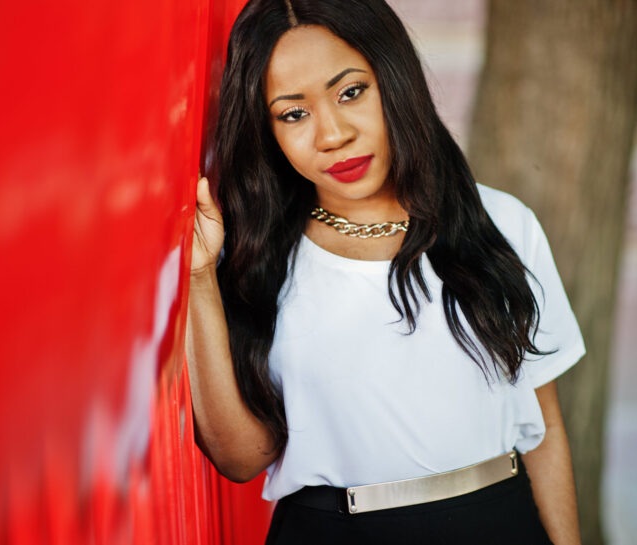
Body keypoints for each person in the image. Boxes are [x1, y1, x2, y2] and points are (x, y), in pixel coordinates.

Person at [185, 0, 586, 543]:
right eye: (294, 114)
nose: (332, 135)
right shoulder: (258, 258)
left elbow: (545, 430)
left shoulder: (503, 224)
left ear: (394, 80)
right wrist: (201, 279)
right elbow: (240, 457)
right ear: (267, 130)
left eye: (351, 92)